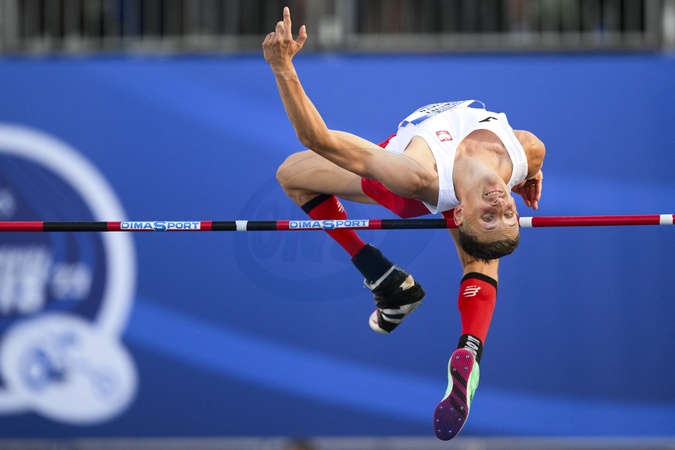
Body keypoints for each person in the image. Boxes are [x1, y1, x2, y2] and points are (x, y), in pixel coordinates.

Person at [263, 7, 545, 441]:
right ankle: (447, 329)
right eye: (509, 213)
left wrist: (282, 68)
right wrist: (530, 175)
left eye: (490, 214)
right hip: (456, 176)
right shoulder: (528, 152)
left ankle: (385, 279)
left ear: (460, 215)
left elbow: (318, 139)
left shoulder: (412, 177)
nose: (500, 203)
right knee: (485, 247)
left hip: (407, 185)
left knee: (291, 174)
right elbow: (518, 178)